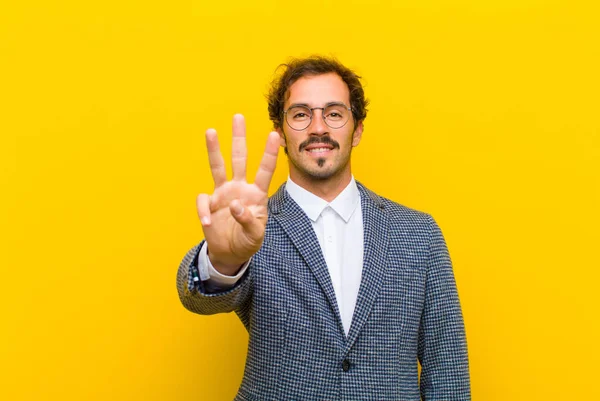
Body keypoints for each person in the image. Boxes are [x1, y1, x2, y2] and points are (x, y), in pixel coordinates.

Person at [176, 56, 470, 400]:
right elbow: (198, 300)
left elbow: (446, 368)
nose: (318, 127)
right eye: (301, 114)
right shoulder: (250, 226)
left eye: (333, 113)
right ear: (280, 133)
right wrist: (223, 261)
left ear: (356, 129)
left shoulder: (419, 233)